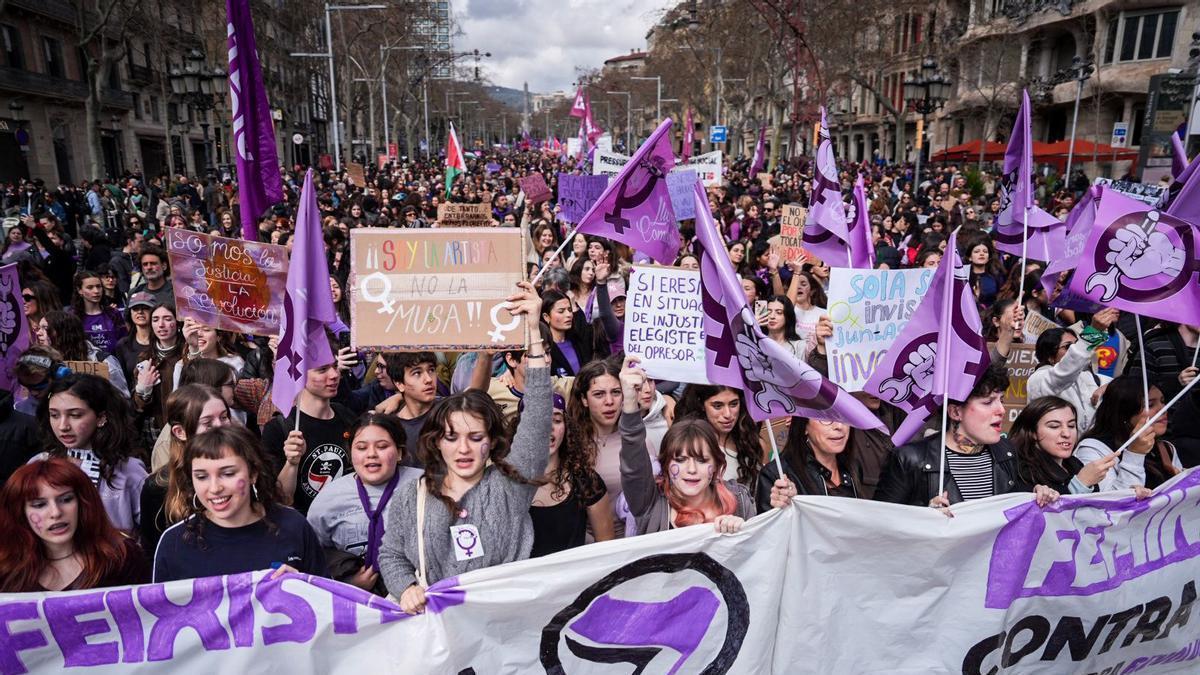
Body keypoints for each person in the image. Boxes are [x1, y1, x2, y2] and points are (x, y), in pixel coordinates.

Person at [378, 281, 550, 615]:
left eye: (475, 438)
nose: (464, 449)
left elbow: (539, 416)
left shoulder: (511, 485)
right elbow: (392, 555)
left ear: (491, 441)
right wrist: (406, 588)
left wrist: (532, 330)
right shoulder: (411, 496)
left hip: (501, 634)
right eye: (452, 437)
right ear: (436, 442)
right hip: (438, 638)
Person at [154, 425, 326, 582]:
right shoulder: (174, 543)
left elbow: (328, 602)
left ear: (253, 474)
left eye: (228, 474)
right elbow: (162, 612)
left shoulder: (294, 526)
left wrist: (305, 587)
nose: (215, 488)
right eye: (201, 476)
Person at [874, 365, 1059, 508]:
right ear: (955, 412)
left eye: (1001, 401)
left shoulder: (1006, 452)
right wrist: (924, 518)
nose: (1001, 410)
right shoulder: (910, 459)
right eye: (988, 402)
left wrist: (1035, 493)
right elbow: (882, 528)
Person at [618, 360, 762, 535]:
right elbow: (633, 462)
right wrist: (630, 402)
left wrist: (743, 532)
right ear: (665, 464)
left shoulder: (740, 502)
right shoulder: (650, 504)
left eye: (702, 460)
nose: (691, 469)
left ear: (717, 464)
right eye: (680, 460)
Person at [307, 413, 424, 597]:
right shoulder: (328, 499)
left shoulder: (425, 486)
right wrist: (348, 584)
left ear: (400, 452)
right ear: (351, 452)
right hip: (354, 606)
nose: (371, 454)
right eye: (361, 447)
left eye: (382, 446)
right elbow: (313, 557)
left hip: (417, 598)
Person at [0, 458, 149, 592]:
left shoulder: (121, 558)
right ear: (20, 513)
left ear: (83, 503)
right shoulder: (6, 568)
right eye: (39, 505)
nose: (56, 513)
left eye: (66, 499)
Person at [36, 374, 148, 530]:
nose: (63, 426)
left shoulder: (129, 471)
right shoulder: (38, 465)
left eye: (75, 415)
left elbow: (151, 534)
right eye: (54, 415)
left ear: (101, 417)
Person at [139, 385, 234, 556]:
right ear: (180, 432)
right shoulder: (159, 486)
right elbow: (154, 552)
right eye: (208, 422)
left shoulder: (246, 470)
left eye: (224, 417)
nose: (221, 427)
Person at [262, 359, 356, 515]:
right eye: (322, 369)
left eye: (335, 366)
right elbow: (281, 500)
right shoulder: (278, 429)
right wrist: (292, 463)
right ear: (299, 375)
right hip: (305, 528)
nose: (334, 375)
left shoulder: (346, 416)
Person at [529, 393, 614, 557]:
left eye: (557, 420)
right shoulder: (506, 483)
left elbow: (607, 548)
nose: (548, 427)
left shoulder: (587, 481)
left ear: (566, 428)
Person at [1074, 377, 1174, 491]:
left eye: (1162, 401)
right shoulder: (1093, 449)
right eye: (1150, 405)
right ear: (1125, 413)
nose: (1163, 409)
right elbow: (1112, 504)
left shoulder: (1166, 448)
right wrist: (1135, 454)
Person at [1027, 310, 1118, 434]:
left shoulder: (1089, 377)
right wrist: (1093, 333)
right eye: (1068, 347)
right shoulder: (1038, 380)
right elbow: (1064, 372)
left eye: (1076, 345)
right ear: (1050, 356)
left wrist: (1110, 387)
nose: (1074, 350)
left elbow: (1127, 387)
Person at [1010, 396, 1120, 495]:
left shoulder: (1074, 464)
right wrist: (1080, 484)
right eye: (1054, 426)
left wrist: (1131, 494)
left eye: (1071, 425)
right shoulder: (1020, 470)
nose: (1066, 434)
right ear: (1032, 432)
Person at [755, 418, 862, 512]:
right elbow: (770, 531)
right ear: (804, 426)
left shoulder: (853, 466)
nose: (839, 426)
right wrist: (787, 508)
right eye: (826, 418)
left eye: (843, 416)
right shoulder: (776, 475)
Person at [675, 385, 762, 487]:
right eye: (717, 406)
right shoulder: (689, 445)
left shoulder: (752, 441)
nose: (727, 414)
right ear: (701, 405)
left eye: (734, 404)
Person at [70, 270, 126, 353]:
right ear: (80, 290)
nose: (96, 291)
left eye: (98, 286)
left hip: (114, 362)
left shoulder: (113, 313)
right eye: (90, 287)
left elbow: (124, 341)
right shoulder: (73, 317)